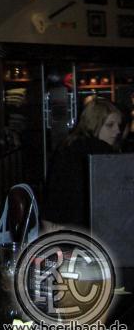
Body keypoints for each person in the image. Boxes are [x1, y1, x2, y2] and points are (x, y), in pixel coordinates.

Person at [44, 97, 123, 230]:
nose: (117, 130)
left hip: (59, 226)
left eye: (118, 125)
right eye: (110, 125)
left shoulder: (67, 144)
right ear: (93, 124)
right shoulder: (101, 151)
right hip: (86, 228)